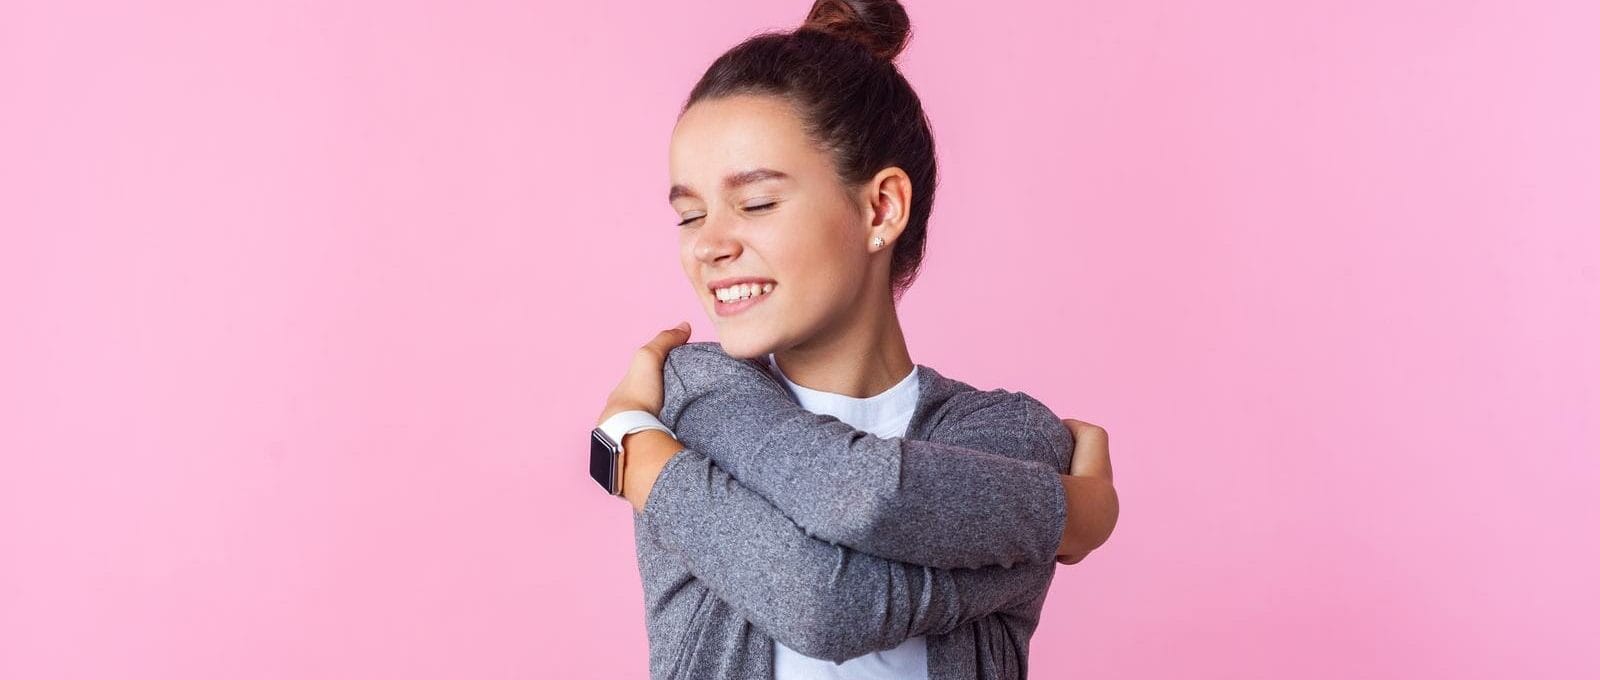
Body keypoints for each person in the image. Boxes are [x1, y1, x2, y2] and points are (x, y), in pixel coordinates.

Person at [590, 1, 1119, 678]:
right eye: (690, 215)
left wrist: (636, 459)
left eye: (755, 203)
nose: (710, 246)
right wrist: (1071, 513)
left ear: (880, 208)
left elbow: (852, 534)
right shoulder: (694, 395)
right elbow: (825, 598)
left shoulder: (1008, 435)